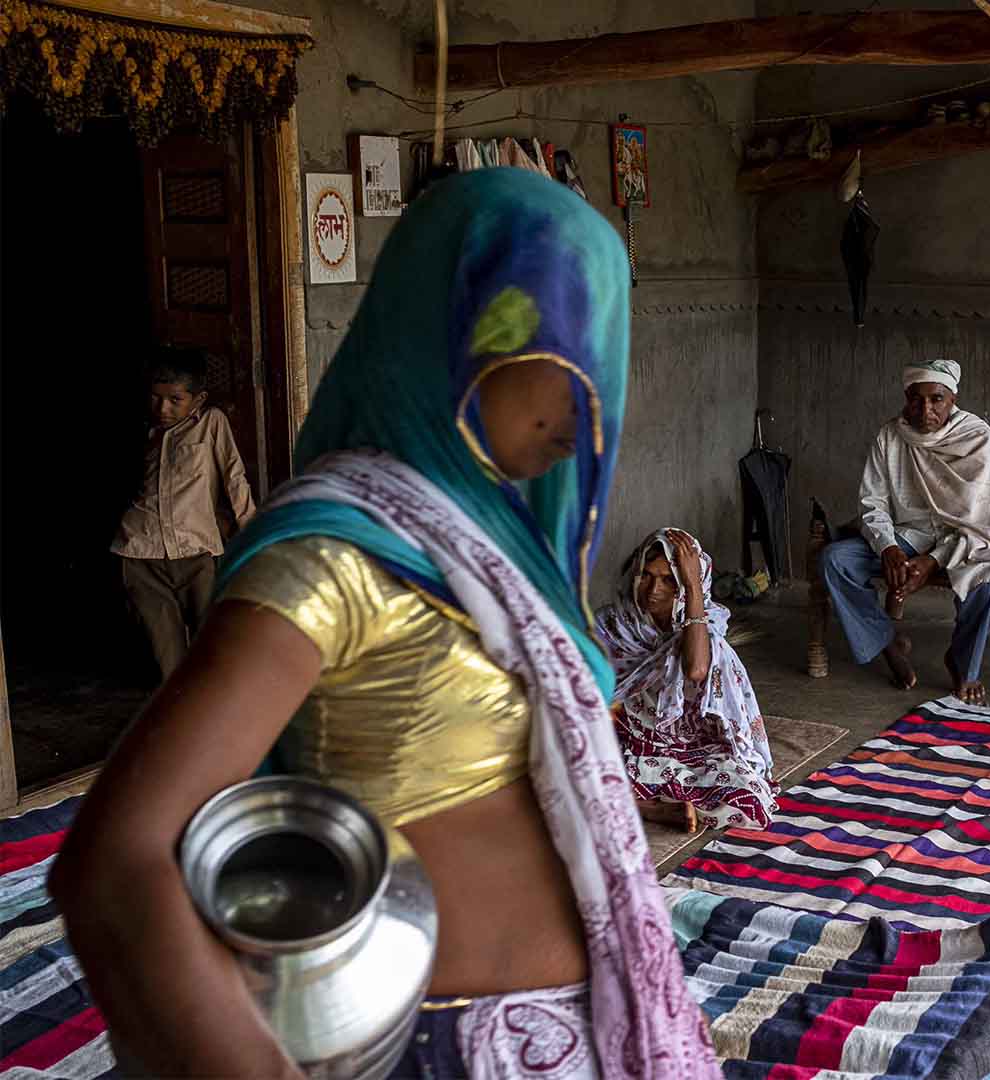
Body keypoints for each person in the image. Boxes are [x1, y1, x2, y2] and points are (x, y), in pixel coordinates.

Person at [49, 170, 719, 1079]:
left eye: (603, 353)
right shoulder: (337, 556)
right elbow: (118, 859)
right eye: (562, 351)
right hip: (429, 1045)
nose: (589, 395)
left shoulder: (494, 549)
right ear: (462, 335)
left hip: (568, 1034)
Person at [820, 359, 990, 705]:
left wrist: (932, 561)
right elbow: (873, 503)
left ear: (953, 399)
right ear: (906, 397)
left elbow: (983, 518)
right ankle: (886, 641)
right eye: (917, 399)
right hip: (909, 534)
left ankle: (962, 662)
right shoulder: (890, 435)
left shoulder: (977, 437)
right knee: (836, 560)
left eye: (937, 399)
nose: (925, 409)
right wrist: (888, 547)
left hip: (968, 538)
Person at [596, 528, 777, 833]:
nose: (653, 589)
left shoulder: (709, 634)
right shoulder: (613, 624)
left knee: (750, 800)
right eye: (647, 576)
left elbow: (696, 669)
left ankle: (636, 801)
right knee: (569, 769)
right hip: (627, 743)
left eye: (669, 580)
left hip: (691, 749)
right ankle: (648, 808)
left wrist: (693, 588)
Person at [110, 346, 256, 679]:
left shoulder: (211, 423)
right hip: (140, 554)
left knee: (213, 647)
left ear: (198, 398)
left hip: (196, 553)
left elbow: (235, 478)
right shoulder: (143, 428)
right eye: (155, 398)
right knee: (168, 660)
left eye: (175, 399)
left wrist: (253, 536)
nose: (163, 408)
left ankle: (224, 721)